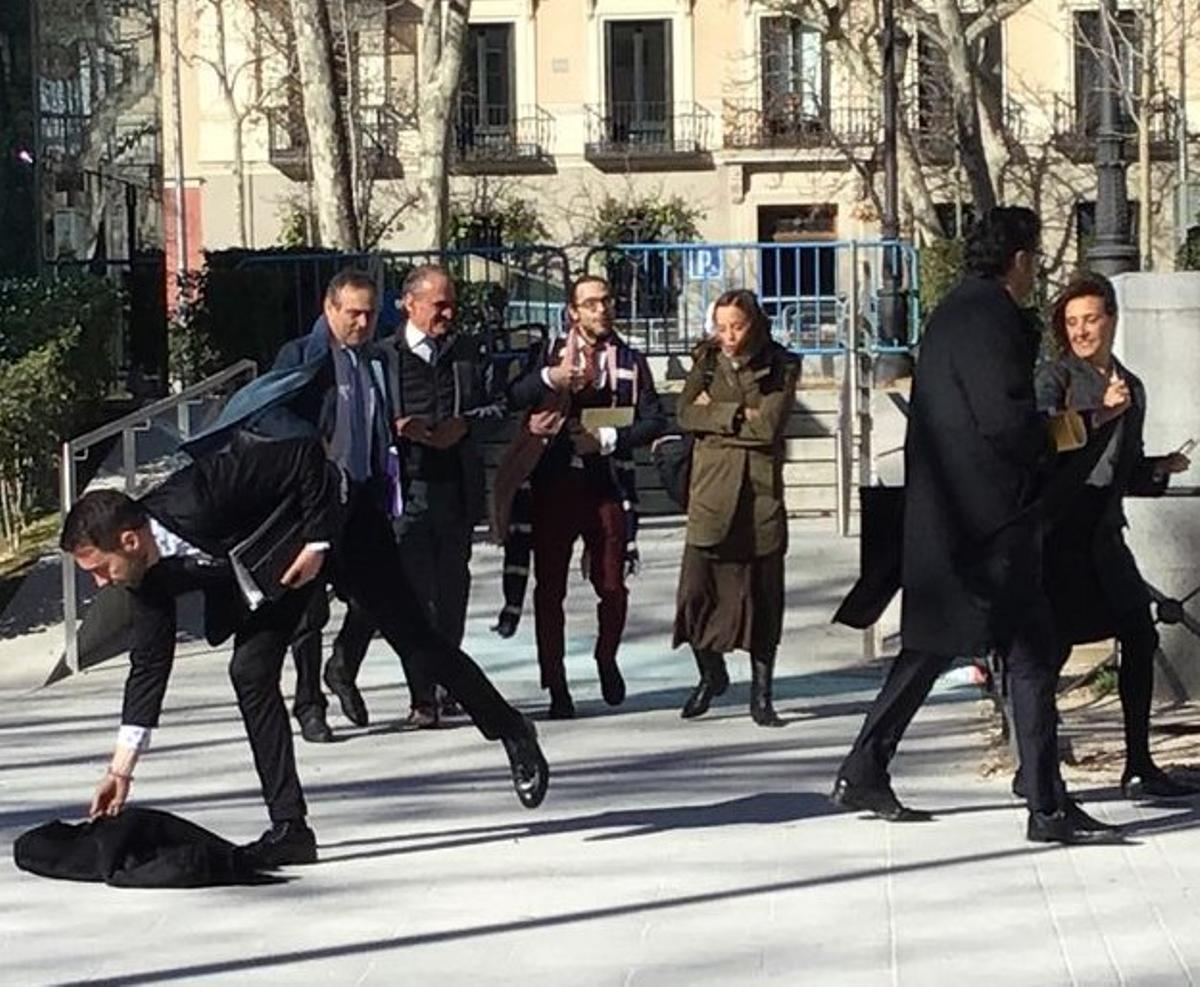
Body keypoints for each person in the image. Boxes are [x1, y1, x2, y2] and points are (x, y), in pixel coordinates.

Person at [183, 270, 550, 809]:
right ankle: (289, 819)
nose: (361, 323)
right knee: (254, 664)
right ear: (330, 309)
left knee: (420, 638)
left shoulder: (375, 359)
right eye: (352, 313)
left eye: (369, 313)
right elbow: (267, 412)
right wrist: (311, 453)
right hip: (307, 520)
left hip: (359, 516)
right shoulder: (303, 358)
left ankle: (513, 731)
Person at [830, 206, 1117, 844]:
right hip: (989, 523)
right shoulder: (991, 317)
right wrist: (1076, 427)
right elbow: (1006, 423)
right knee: (1033, 654)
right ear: (1019, 259)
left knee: (933, 647)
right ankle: (1045, 807)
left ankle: (864, 766)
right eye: (1034, 257)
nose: (1035, 269)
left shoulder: (955, 311)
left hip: (952, 518)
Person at [62, 435, 336, 868]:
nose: (99, 584)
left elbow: (304, 452)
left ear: (129, 542)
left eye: (99, 569)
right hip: (276, 583)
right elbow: (149, 666)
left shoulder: (200, 493)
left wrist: (318, 543)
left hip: (334, 525)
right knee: (250, 672)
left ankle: (485, 716)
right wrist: (120, 771)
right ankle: (291, 828)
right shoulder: (145, 579)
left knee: (419, 641)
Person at [1036, 272, 1198, 799]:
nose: (1082, 331)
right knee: (1050, 651)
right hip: (1061, 536)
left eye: (1091, 319)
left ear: (1111, 319)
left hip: (1105, 536)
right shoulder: (1056, 377)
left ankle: (1138, 762)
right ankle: (1037, 767)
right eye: (1072, 321)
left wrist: (1159, 468)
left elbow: (1122, 472)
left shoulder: (1132, 384)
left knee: (1140, 634)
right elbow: (1041, 442)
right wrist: (1103, 411)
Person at [326, 265, 495, 727]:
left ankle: (448, 682)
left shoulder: (465, 352)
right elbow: (361, 418)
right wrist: (398, 432)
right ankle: (423, 696)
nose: (447, 312)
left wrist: (466, 424)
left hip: (454, 489)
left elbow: (492, 407)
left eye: (451, 303)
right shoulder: (383, 357)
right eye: (438, 304)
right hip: (404, 491)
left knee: (452, 592)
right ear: (410, 303)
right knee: (412, 598)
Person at [502, 275, 667, 718]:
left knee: (612, 585)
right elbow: (514, 394)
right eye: (591, 303)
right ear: (573, 311)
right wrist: (549, 378)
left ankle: (606, 656)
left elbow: (655, 420)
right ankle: (555, 685)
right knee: (549, 588)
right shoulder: (549, 352)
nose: (602, 310)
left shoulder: (630, 360)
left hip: (605, 482)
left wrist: (609, 438)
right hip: (553, 485)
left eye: (607, 301)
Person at [673, 289, 800, 726]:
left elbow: (768, 425)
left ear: (755, 324)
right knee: (694, 593)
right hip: (710, 493)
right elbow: (685, 414)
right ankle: (711, 673)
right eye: (721, 327)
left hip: (757, 494)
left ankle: (762, 694)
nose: (728, 336)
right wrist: (737, 415)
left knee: (763, 597)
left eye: (737, 326)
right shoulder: (707, 361)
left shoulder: (781, 363)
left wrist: (719, 418)